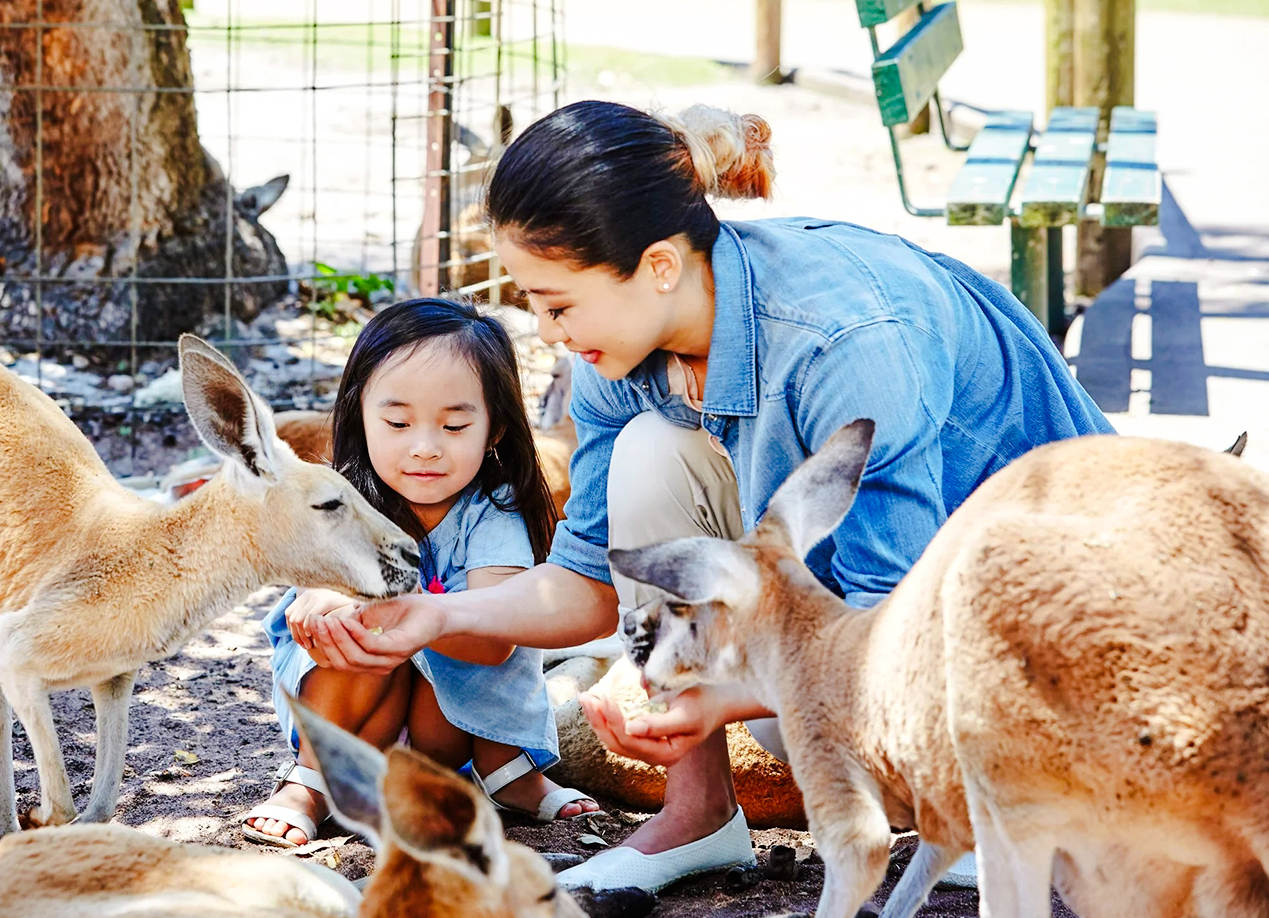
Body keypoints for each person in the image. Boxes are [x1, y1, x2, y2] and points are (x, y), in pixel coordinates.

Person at [300, 99, 1114, 891]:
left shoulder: (843, 348)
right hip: (877, 618)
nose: (548, 334)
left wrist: (717, 697)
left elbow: (887, 632)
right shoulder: (624, 348)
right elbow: (585, 583)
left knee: (796, 717)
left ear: (657, 267)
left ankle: (1007, 792)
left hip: (1043, 636)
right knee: (650, 455)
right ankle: (698, 815)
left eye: (558, 304)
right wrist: (439, 617)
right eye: (533, 306)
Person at [243, 297, 600, 848]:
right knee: (348, 633)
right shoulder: (345, 499)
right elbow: (314, 598)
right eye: (397, 422)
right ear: (360, 416)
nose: (425, 448)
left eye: (455, 425)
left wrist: (403, 616)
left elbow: (493, 645)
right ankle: (312, 779)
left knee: (449, 632)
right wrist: (321, 600)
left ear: (496, 430)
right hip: (358, 723)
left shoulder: (495, 509)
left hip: (447, 733)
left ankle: (506, 769)